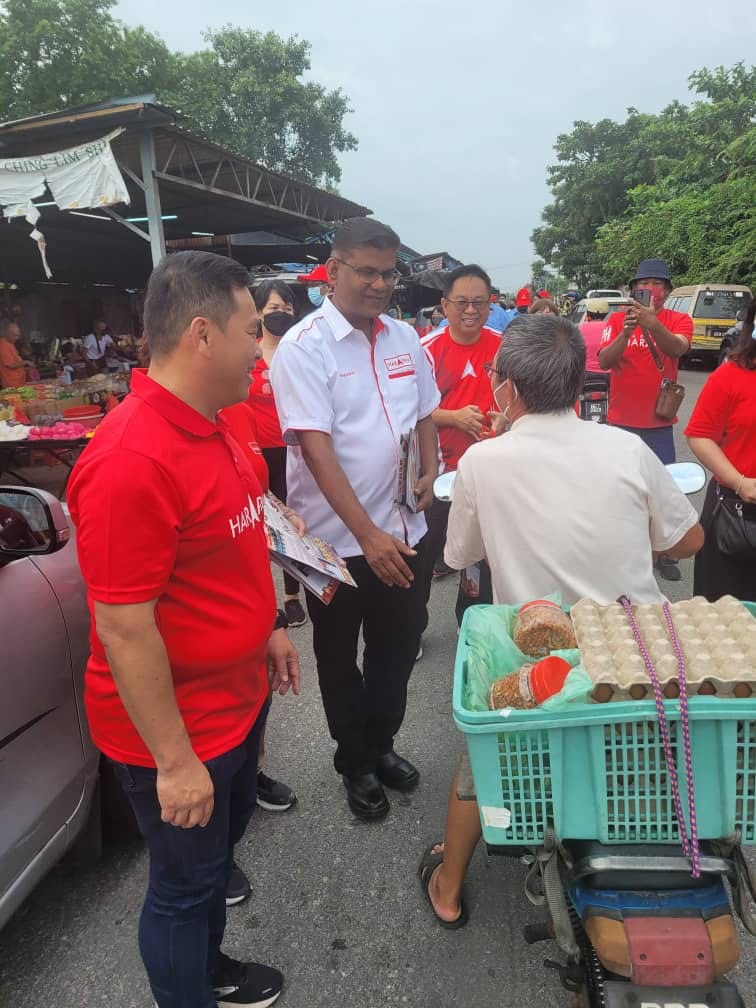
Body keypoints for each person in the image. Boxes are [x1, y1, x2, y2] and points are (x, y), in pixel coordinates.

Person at [68, 251, 301, 1008]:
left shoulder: (218, 424)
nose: (259, 348)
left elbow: (238, 535)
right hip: (179, 730)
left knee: (212, 865)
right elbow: (124, 629)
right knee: (181, 884)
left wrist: (267, 623)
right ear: (202, 335)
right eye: (251, 330)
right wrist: (173, 763)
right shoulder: (132, 459)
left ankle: (208, 970)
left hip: (236, 704)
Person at [417, 313, 703, 928]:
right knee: (638, 757)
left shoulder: (484, 462)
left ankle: (448, 885)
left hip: (541, 658)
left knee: (481, 759)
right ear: (580, 385)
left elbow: (460, 555)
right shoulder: (627, 446)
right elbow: (688, 540)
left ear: (508, 389)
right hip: (636, 655)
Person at [270, 218, 440, 821]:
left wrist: (430, 465)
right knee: (339, 657)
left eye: (388, 273)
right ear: (333, 270)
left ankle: (384, 744)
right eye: (365, 271)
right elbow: (315, 450)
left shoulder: (404, 340)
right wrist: (367, 536)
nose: (378, 284)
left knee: (397, 650)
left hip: (406, 532)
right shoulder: (303, 346)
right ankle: (355, 761)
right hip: (334, 546)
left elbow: (424, 413)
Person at [598, 257, 693, 581]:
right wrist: (625, 333)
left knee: (663, 489)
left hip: (659, 423)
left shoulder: (679, 319)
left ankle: (665, 552)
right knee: (621, 489)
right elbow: (604, 360)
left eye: (654, 284)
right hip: (621, 421)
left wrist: (653, 324)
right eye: (641, 285)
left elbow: (678, 348)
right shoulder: (616, 321)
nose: (647, 289)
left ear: (665, 290)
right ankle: (626, 547)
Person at [420, 264, 502, 613]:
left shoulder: (506, 348)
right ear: (445, 305)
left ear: (491, 304)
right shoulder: (423, 350)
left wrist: (507, 420)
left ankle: (469, 621)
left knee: (481, 554)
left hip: (490, 474)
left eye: (479, 302)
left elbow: (521, 402)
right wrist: (452, 417)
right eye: (462, 302)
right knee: (424, 554)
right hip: (437, 474)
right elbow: (404, 412)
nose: (471, 310)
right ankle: (413, 624)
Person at [685, 299, 756, 602]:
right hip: (734, 514)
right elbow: (699, 435)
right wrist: (741, 482)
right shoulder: (730, 376)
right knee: (723, 616)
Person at [249, 280, 307, 630]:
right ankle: (267, 603)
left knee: (295, 520)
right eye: (273, 309)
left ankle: (293, 594)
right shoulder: (249, 354)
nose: (281, 314)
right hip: (259, 453)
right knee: (260, 526)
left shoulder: (301, 352)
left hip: (296, 450)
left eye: (287, 309)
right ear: (258, 313)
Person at [579, 298, 610, 374]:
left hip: (586, 373)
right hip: (609, 373)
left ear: (588, 313)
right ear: (606, 314)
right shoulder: (611, 327)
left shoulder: (580, 328)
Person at [0, 318, 33, 388]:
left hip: (19, 383)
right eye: (14, 335)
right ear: (7, 333)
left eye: (18, 335)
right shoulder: (2, 345)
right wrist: (25, 362)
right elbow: (11, 365)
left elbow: (16, 361)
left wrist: (24, 369)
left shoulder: (10, 343)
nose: (17, 338)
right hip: (11, 385)